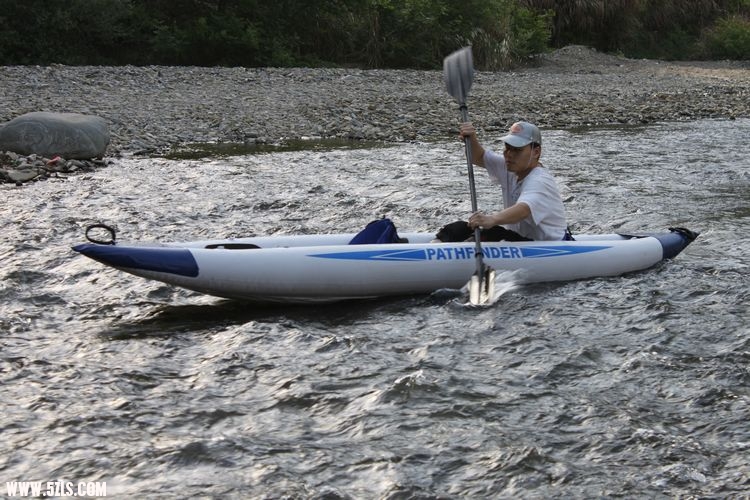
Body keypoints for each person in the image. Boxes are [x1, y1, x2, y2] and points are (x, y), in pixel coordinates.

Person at [434, 120, 570, 242]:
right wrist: (471, 139)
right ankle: (434, 246)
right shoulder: (510, 166)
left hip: (548, 246)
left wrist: (492, 219)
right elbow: (478, 157)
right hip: (521, 240)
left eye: (517, 150)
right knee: (460, 228)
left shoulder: (540, 181)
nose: (509, 154)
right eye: (507, 147)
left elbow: (524, 209)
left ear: (535, 152)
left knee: (492, 232)